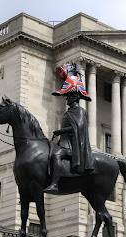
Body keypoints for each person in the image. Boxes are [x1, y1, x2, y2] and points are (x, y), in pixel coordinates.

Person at [44, 64, 95, 193]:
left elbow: (77, 128)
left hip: (73, 146)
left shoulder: (80, 111)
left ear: (75, 97)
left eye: (69, 96)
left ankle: (55, 184)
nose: (67, 99)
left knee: (56, 155)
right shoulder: (69, 112)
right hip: (64, 143)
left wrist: (60, 131)